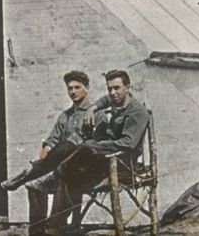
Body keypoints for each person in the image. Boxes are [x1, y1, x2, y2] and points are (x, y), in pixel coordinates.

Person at [44, 69, 150, 236]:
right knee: (68, 176)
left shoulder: (136, 111)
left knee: (86, 148)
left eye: (117, 88)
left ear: (128, 87)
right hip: (106, 161)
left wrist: (97, 146)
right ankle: (54, 228)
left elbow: (128, 144)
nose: (113, 93)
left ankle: (56, 172)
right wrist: (92, 108)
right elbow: (105, 100)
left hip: (123, 164)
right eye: (110, 89)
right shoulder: (118, 102)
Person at [1, 71, 93, 235]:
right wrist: (47, 148)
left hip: (83, 170)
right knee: (35, 186)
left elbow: (98, 145)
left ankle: (28, 174)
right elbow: (52, 139)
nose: (73, 92)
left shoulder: (95, 113)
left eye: (77, 87)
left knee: (68, 145)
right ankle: (36, 231)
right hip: (61, 170)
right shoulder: (65, 116)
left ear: (87, 88)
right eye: (69, 88)